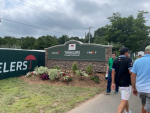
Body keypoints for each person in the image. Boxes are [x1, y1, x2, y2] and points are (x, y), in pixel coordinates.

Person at [111, 47, 132, 113]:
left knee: (125, 98)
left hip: (118, 82)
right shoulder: (128, 60)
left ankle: (128, 111)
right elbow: (130, 71)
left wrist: (113, 82)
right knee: (124, 100)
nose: (128, 54)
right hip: (126, 82)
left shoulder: (115, 60)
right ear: (125, 52)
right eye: (128, 52)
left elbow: (113, 72)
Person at [131, 46, 150, 113]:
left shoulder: (137, 61)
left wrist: (133, 88)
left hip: (141, 89)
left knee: (144, 105)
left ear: (145, 52)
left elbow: (133, 75)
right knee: (148, 108)